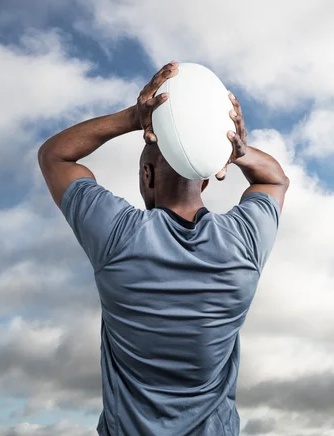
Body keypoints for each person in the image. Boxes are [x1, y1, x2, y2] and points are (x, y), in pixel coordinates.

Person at [38, 61, 290, 436]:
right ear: (204, 183)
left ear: (147, 176)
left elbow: (55, 155)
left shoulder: (117, 235)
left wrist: (132, 118)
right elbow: (275, 180)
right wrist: (235, 150)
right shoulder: (244, 243)